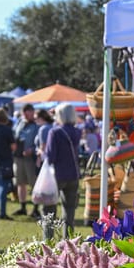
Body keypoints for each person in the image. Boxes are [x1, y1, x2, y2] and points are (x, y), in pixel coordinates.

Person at [43, 102, 81, 238]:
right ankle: (68, 241)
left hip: (57, 175)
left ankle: (48, 239)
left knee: (49, 210)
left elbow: (50, 156)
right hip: (73, 174)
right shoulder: (77, 131)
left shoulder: (55, 132)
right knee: (69, 211)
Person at [12, 103, 40, 217]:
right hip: (18, 157)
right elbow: (14, 134)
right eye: (24, 113)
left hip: (31, 159)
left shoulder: (37, 125)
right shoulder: (19, 122)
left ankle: (35, 208)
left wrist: (32, 150)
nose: (25, 115)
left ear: (32, 112)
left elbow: (40, 142)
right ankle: (22, 207)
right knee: (20, 182)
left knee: (34, 184)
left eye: (27, 112)